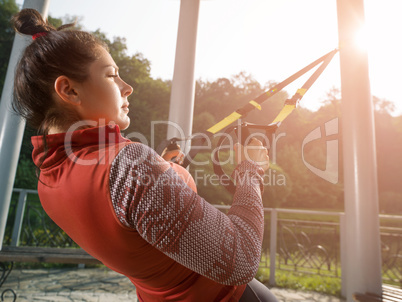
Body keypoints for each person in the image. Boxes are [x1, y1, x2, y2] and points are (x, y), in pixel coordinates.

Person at [12, 8, 278, 302]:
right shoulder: (131, 166)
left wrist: (169, 168)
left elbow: (134, 225)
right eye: (112, 75)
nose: (128, 87)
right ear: (69, 90)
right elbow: (240, 261)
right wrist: (250, 170)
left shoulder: (48, 182)